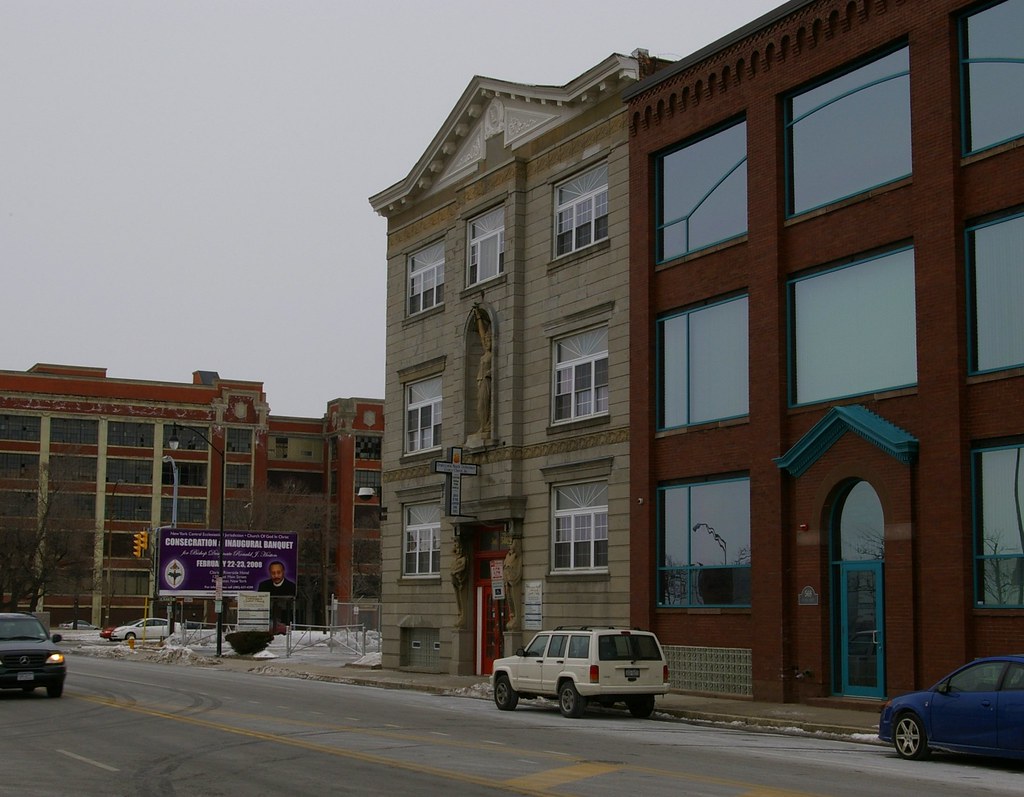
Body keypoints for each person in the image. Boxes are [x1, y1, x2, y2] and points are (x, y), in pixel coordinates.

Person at [474, 305, 493, 438]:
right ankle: (483, 425)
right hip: (480, 381)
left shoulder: (492, 355)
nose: (486, 342)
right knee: (479, 406)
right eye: (486, 340)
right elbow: (481, 334)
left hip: (487, 381)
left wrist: (490, 373)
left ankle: (486, 425)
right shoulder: (485, 353)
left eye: (489, 340)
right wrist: (479, 318)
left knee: (484, 405)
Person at [503, 537, 522, 631]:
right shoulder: (507, 556)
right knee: (509, 597)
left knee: (514, 597)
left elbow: (516, 568)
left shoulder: (517, 555)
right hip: (507, 580)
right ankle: (512, 615)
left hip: (513, 580)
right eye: (509, 544)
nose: (510, 545)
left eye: (511, 543)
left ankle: (516, 617)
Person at [451, 536, 469, 629]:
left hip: (460, 580)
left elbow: (462, 567)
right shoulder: (455, 559)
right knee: (458, 597)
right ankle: (460, 613)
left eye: (459, 548)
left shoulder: (463, 559)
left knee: (461, 597)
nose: (458, 550)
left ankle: (462, 614)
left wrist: (455, 572)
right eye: (457, 548)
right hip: (455, 581)